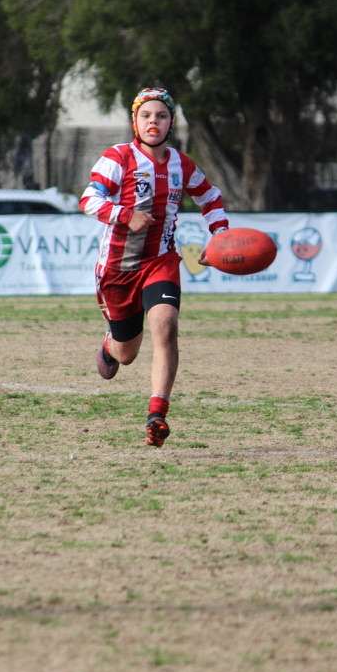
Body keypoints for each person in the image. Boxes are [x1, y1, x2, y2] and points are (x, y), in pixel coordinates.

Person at [79, 86, 229, 447]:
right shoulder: (118, 157)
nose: (153, 122)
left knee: (165, 325)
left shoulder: (181, 163)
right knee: (126, 354)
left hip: (160, 261)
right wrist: (125, 215)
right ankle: (110, 345)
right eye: (145, 115)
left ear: (171, 123)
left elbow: (211, 198)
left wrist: (221, 236)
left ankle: (157, 415)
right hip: (117, 270)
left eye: (161, 116)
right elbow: (88, 200)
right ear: (135, 121)